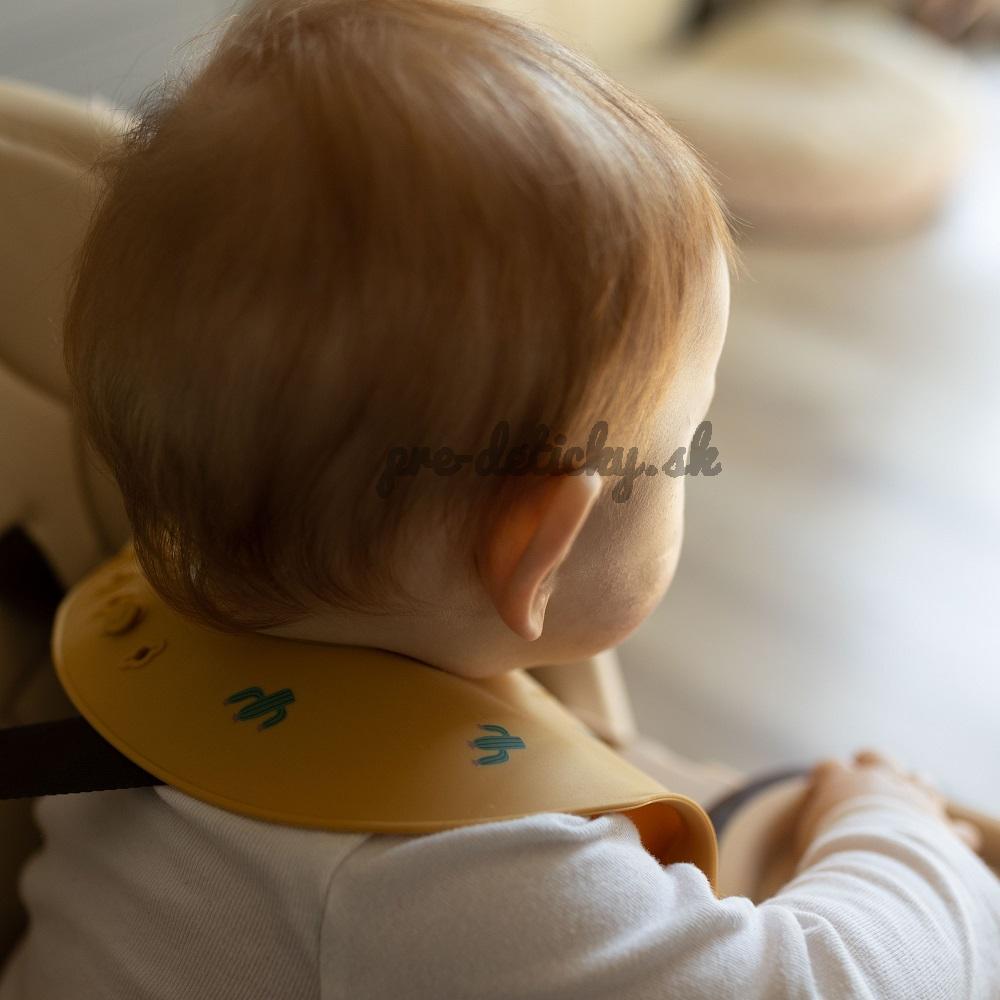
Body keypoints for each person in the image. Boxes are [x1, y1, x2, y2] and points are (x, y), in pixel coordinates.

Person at [2, 1, 998, 997]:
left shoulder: (164, 645)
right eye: (682, 444)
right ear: (535, 549)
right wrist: (895, 821)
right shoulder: (447, 872)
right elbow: (835, 982)